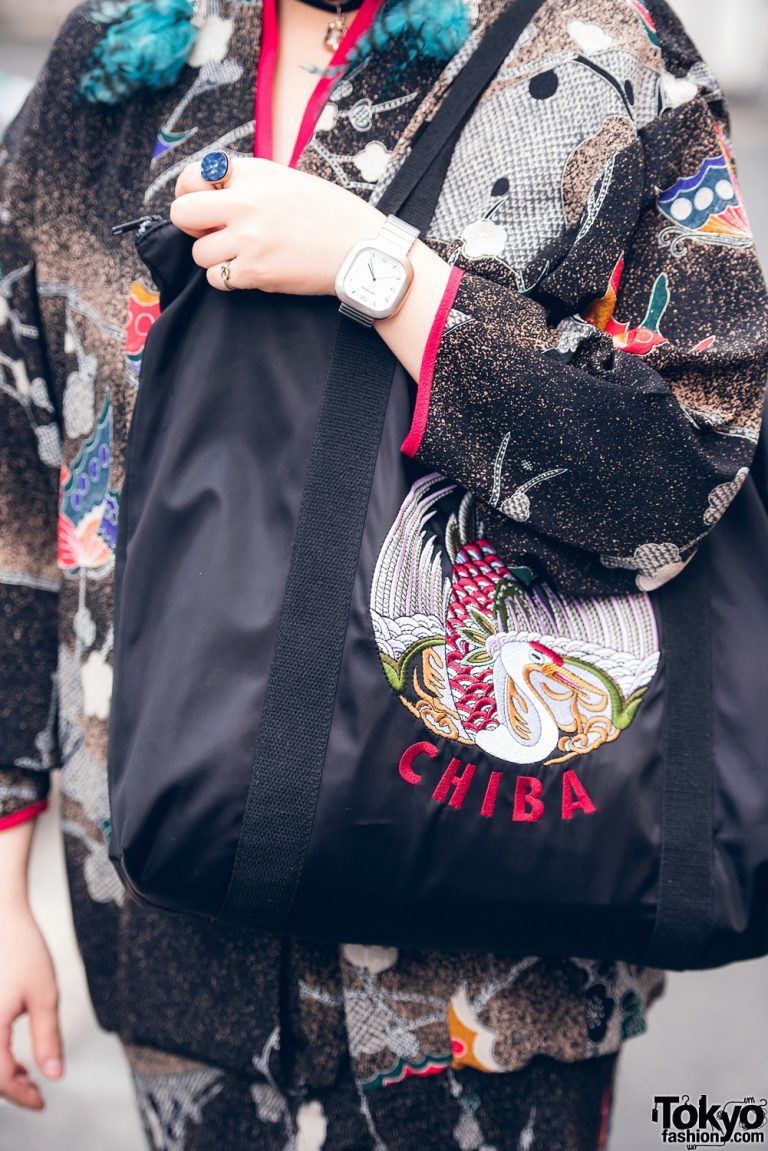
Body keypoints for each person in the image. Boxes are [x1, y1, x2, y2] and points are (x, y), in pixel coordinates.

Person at [0, 0, 766, 1147]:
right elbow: (21, 473)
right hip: (176, 955)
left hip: (498, 980)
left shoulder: (600, 48)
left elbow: (689, 470)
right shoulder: (118, 59)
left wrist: (394, 278)